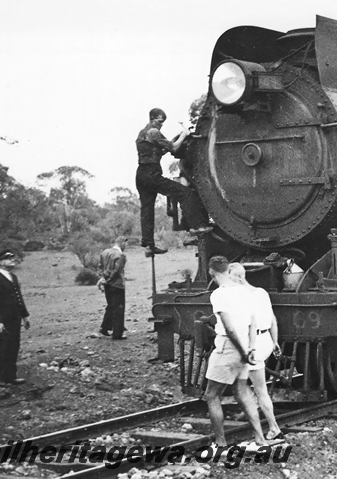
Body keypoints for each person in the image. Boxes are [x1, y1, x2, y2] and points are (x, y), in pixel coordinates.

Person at [200, 256, 268, 457]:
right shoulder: (244, 291)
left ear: (212, 272)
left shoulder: (218, 295)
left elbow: (229, 328)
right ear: (228, 269)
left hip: (229, 347)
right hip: (246, 345)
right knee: (242, 393)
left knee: (211, 395)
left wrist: (242, 351)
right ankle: (260, 440)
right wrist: (251, 348)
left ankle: (220, 444)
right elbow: (253, 322)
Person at [135, 107, 212, 256]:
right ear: (153, 119)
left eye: (163, 122)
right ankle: (197, 227)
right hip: (151, 174)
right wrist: (184, 134)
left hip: (141, 175)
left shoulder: (142, 133)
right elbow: (174, 148)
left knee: (147, 210)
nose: (161, 124)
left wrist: (168, 146)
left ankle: (148, 244)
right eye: (159, 121)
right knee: (185, 193)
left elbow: (161, 149)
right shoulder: (154, 132)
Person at [228, 263, 284, 442]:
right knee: (253, 386)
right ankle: (257, 412)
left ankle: (272, 428)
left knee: (255, 389)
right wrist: (275, 342)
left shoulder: (239, 297)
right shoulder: (261, 293)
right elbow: (273, 319)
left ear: (236, 278)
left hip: (252, 345)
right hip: (266, 340)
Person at [0, 250, 30, 386]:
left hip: (14, 318)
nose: (13, 260)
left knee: (13, 346)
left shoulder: (13, 277)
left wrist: (25, 315)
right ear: (1, 262)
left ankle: (10, 376)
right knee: (1, 347)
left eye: (13, 257)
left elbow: (19, 298)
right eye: (9, 258)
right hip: (3, 320)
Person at [97, 236, 128, 340]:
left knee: (110, 306)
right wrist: (109, 279)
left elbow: (100, 267)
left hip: (107, 285)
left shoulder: (105, 252)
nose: (126, 246)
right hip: (117, 285)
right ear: (122, 243)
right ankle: (117, 333)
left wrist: (104, 278)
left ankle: (104, 327)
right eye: (125, 244)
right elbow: (117, 271)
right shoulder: (121, 255)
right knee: (118, 308)